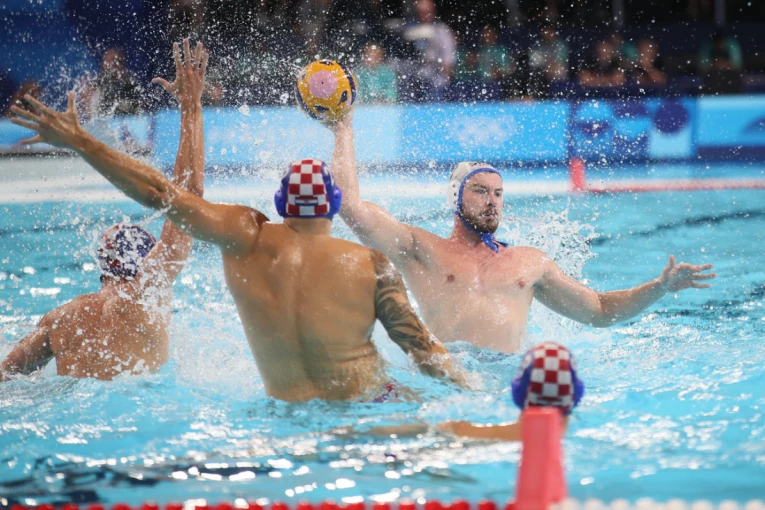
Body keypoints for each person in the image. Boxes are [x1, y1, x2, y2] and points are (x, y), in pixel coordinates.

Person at [9, 86, 465, 402]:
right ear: (334, 205)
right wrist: (473, 392)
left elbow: (163, 194)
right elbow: (426, 354)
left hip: (280, 414)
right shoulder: (370, 264)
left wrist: (82, 142)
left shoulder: (246, 237)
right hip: (367, 406)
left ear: (279, 203)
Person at [330, 114, 716, 354]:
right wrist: (343, 127)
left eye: (498, 194)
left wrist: (659, 287)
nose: (492, 202)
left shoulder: (530, 263)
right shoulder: (421, 249)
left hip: (507, 386)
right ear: (456, 198)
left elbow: (599, 311)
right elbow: (350, 206)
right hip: (449, 379)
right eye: (480, 191)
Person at [0, 40, 208, 381]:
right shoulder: (149, 289)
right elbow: (189, 197)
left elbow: (6, 376)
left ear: (103, 268)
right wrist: (191, 107)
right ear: (147, 261)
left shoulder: (59, 319)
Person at [352, 342, 582, 441]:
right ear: (578, 395)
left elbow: (405, 431)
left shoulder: (466, 432)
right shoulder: (580, 443)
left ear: (516, 392)